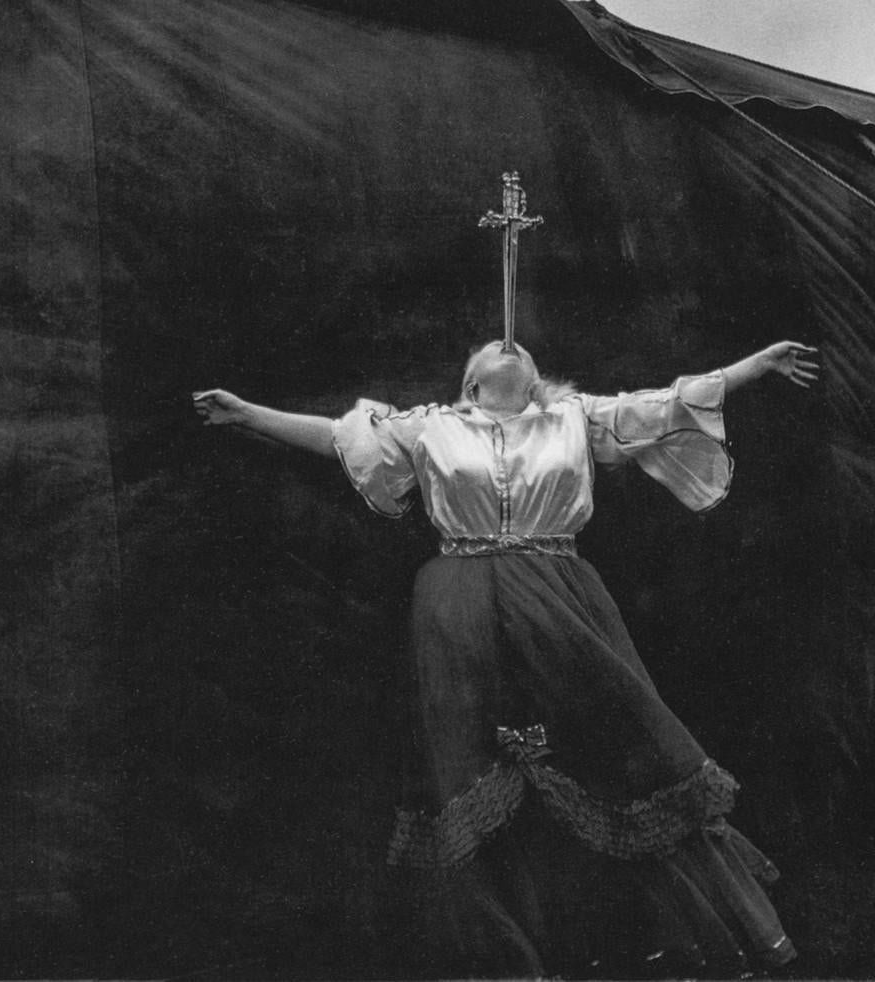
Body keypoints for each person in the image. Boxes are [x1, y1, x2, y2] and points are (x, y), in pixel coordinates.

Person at [193, 338, 819, 978]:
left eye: (516, 348)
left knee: (610, 746)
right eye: (492, 347)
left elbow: (669, 405)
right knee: (470, 757)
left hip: (560, 596)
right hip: (457, 603)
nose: (506, 342)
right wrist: (246, 413)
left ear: (534, 380)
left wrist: (756, 365)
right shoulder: (432, 427)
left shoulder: (574, 416)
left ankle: (624, 932)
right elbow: (337, 437)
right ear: (472, 385)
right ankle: (506, 951)